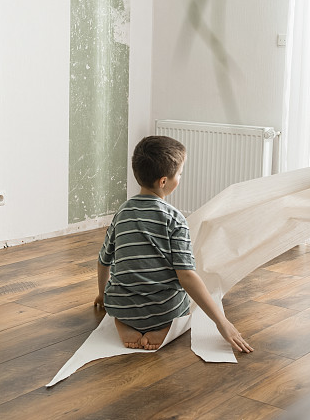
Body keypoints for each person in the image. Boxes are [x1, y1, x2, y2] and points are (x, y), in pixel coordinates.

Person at [94, 135, 253, 353]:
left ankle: (123, 323)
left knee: (120, 299)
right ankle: (165, 327)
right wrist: (222, 323)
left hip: (123, 306)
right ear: (163, 182)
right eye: (179, 174)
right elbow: (186, 276)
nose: (180, 177)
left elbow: (104, 261)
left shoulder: (122, 213)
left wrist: (103, 296)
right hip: (162, 310)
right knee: (187, 308)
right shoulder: (175, 219)